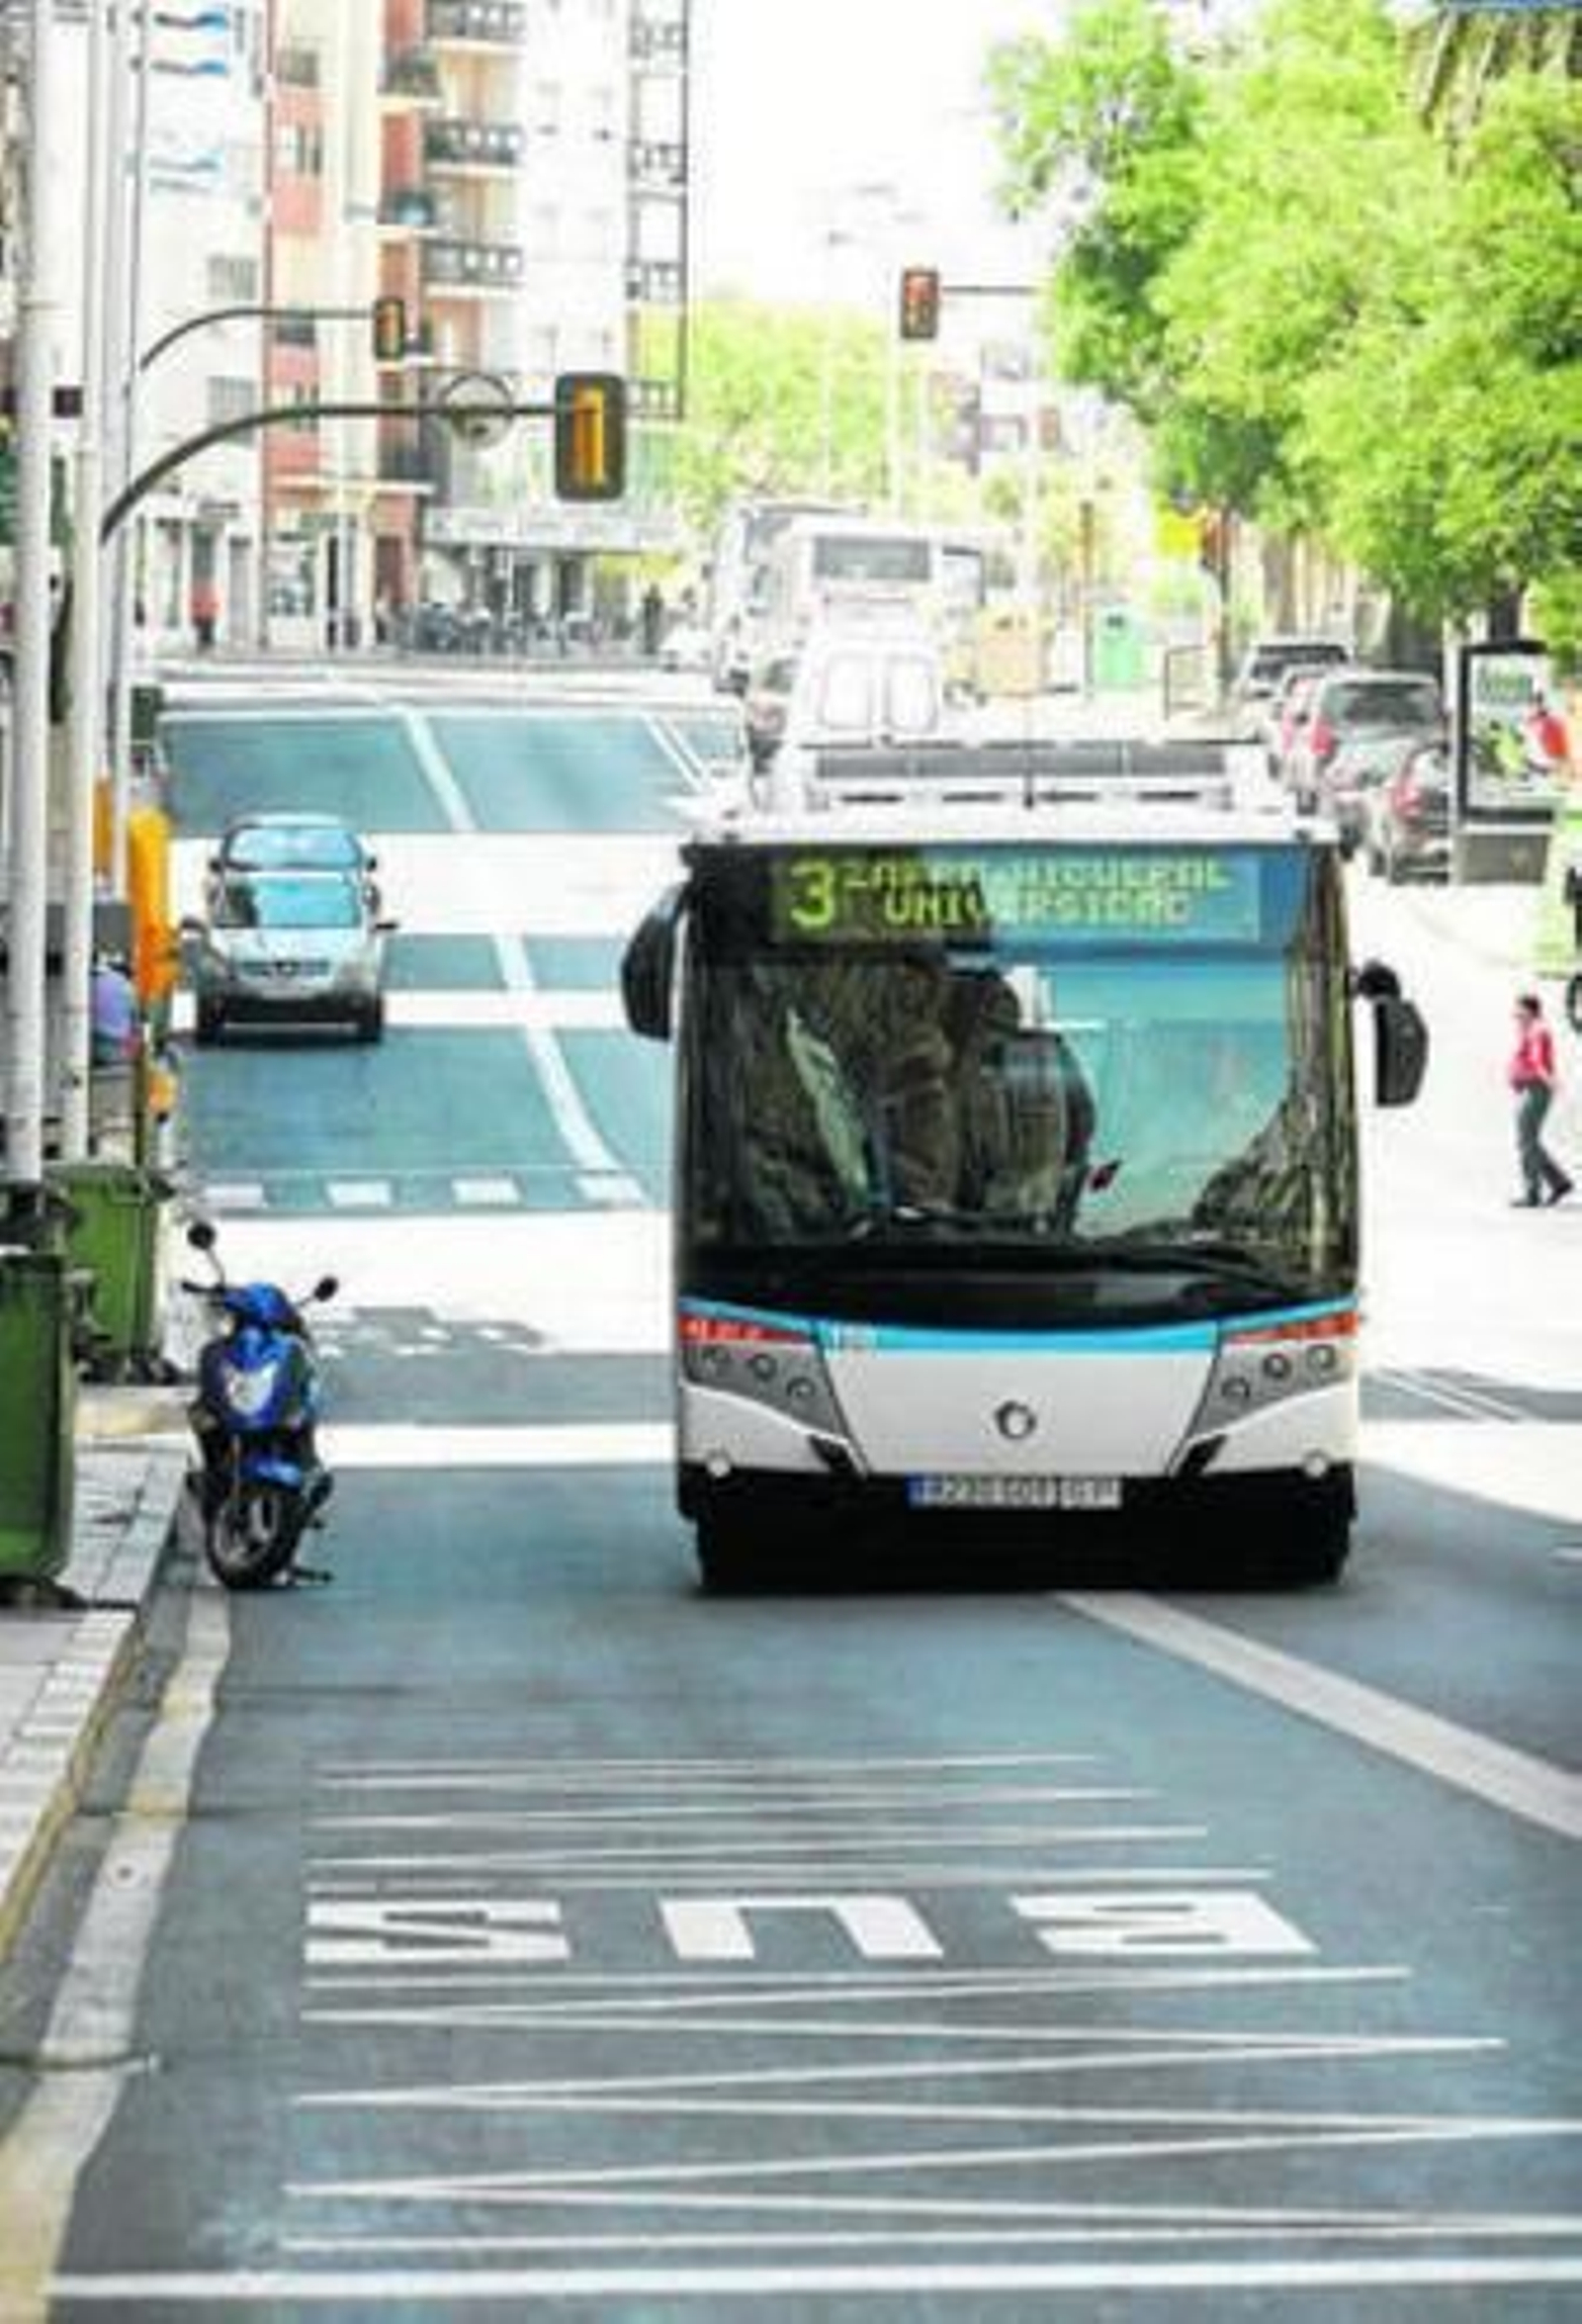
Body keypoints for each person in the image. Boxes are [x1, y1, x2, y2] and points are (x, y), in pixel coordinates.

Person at [1508, 992, 1572, 1207]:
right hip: (1531, 1089)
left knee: (1526, 1141)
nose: (1515, 1014)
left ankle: (1532, 1192)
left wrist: (1550, 1081)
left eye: (1519, 1009)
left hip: (1537, 1089)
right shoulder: (1530, 1029)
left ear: (1529, 1010)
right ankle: (1559, 1182)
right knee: (1528, 1141)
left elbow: (1538, 1061)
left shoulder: (1538, 1031)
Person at [90, 952, 140, 1067]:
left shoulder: (95, 981)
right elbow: (136, 1023)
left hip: (93, 1044)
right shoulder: (129, 987)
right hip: (118, 1050)